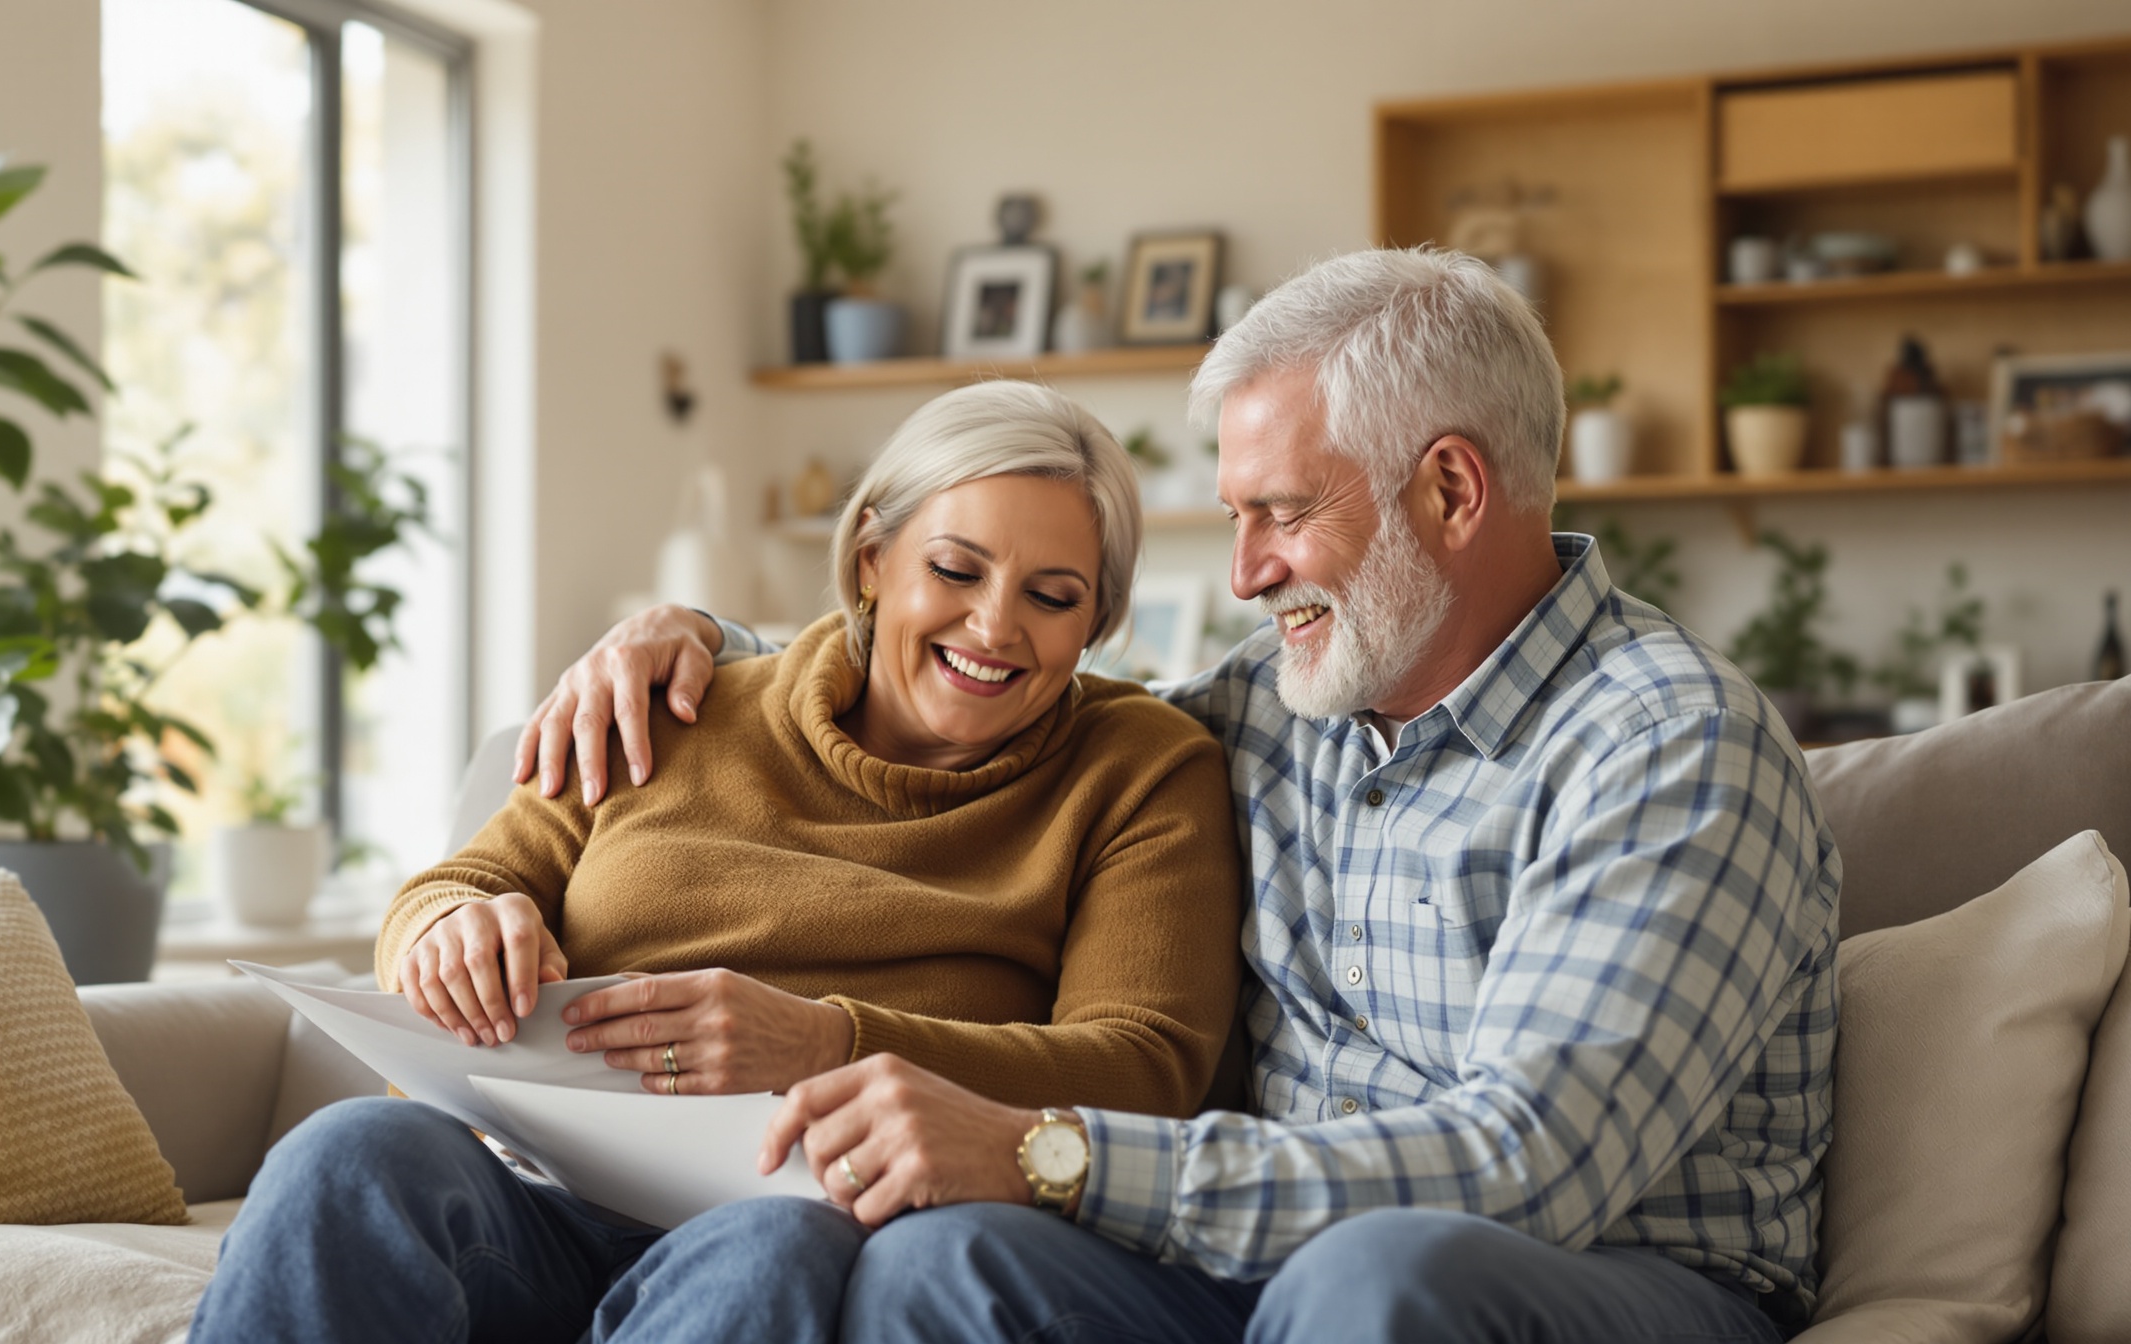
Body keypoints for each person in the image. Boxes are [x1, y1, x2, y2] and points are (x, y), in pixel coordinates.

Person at [518, 247, 1840, 1344]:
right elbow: (989, 669)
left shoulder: (1670, 747)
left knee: (1372, 1282)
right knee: (948, 1263)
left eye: (1279, 513)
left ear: (1450, 488)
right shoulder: (1276, 705)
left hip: (1606, 1277)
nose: (1250, 572)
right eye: (1234, 519)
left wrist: (1055, 1153)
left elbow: (1524, 1167)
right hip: (1265, 1254)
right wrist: (685, 636)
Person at [189, 380, 1247, 1344]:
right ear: (871, 556)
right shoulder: (668, 703)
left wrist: (827, 1043)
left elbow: (1142, 1064)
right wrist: (451, 927)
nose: (993, 626)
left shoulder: (1137, 766)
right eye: (955, 569)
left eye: (1052, 598)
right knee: (348, 1156)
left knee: (768, 1250)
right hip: (543, 1197)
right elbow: (463, 882)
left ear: (1097, 622)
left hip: (807, 1218)